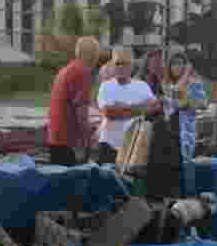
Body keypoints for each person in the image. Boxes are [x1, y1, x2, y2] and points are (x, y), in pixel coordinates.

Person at [95, 46, 160, 166]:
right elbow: (109, 113)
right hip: (109, 146)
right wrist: (141, 108)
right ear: (113, 65)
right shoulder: (106, 86)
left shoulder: (142, 86)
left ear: (131, 66)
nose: (121, 67)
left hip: (133, 149)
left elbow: (156, 107)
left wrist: (121, 108)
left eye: (124, 63)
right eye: (117, 63)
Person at [46, 36, 101, 166]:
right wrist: (87, 142)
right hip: (68, 141)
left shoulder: (66, 70)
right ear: (92, 55)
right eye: (97, 54)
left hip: (55, 137)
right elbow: (81, 113)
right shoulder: (82, 72)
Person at [161, 51, 209, 163]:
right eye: (174, 63)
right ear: (169, 67)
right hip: (169, 127)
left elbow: (203, 104)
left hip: (187, 129)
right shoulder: (166, 83)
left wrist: (189, 103)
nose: (177, 66)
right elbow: (175, 94)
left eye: (181, 63)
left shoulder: (195, 83)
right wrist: (186, 74)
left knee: (185, 162)